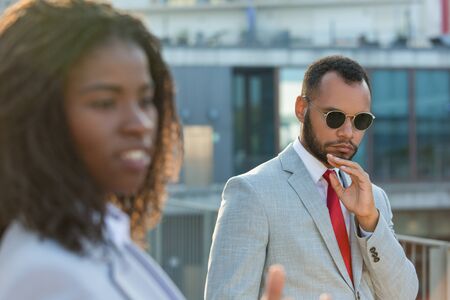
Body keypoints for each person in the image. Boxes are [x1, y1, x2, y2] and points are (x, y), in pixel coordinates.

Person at [0, 0, 186, 299]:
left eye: (145, 100)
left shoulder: (99, 237)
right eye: (104, 103)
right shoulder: (44, 273)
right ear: (35, 117)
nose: (139, 124)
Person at [205, 56, 419, 299]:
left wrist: (369, 221)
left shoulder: (373, 199)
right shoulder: (252, 192)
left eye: (360, 120)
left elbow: (404, 294)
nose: (347, 132)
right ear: (301, 109)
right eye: (334, 117)